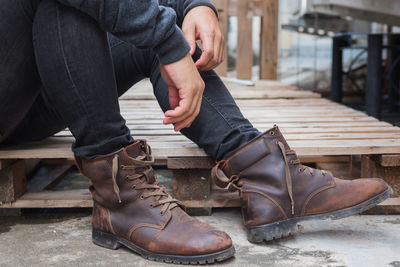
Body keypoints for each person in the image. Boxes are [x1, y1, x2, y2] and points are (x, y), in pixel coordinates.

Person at [0, 0, 392, 264]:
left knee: (161, 24)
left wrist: (193, 7)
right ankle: (119, 200)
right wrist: (166, 40)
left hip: (32, 89)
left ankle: (270, 179)